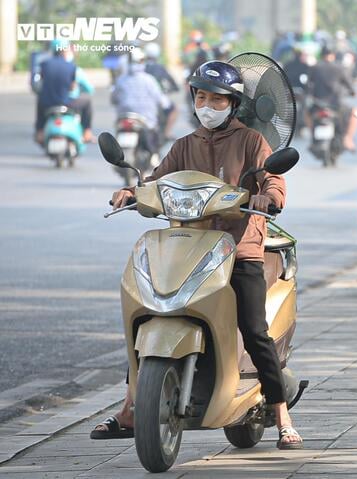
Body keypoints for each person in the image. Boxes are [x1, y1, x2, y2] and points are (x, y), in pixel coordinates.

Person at [93, 61, 303, 449]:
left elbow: (273, 180)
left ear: (233, 103)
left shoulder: (252, 142)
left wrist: (269, 197)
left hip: (240, 249)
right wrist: (132, 192)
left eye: (217, 98)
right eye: (201, 96)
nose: (208, 104)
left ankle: (281, 413)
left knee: (255, 330)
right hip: (190, 247)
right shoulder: (184, 145)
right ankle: (130, 407)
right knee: (153, 314)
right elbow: (157, 179)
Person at [111, 48, 174, 156]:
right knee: (154, 140)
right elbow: (161, 99)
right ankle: (154, 157)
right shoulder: (149, 80)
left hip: (123, 117)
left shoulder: (121, 80)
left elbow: (114, 99)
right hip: (146, 119)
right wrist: (165, 104)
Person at [34, 40, 94, 145]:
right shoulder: (72, 67)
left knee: (40, 100)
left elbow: (37, 85)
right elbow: (75, 87)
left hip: (47, 104)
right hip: (67, 103)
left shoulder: (43, 65)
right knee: (87, 100)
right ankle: (87, 132)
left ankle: (39, 132)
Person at [307, 46, 357, 151]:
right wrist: (353, 92)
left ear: (321, 56)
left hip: (318, 104)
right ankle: (348, 139)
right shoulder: (339, 68)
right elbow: (349, 85)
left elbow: (308, 84)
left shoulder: (315, 67)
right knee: (354, 113)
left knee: (307, 113)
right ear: (333, 56)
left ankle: (312, 133)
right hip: (336, 104)